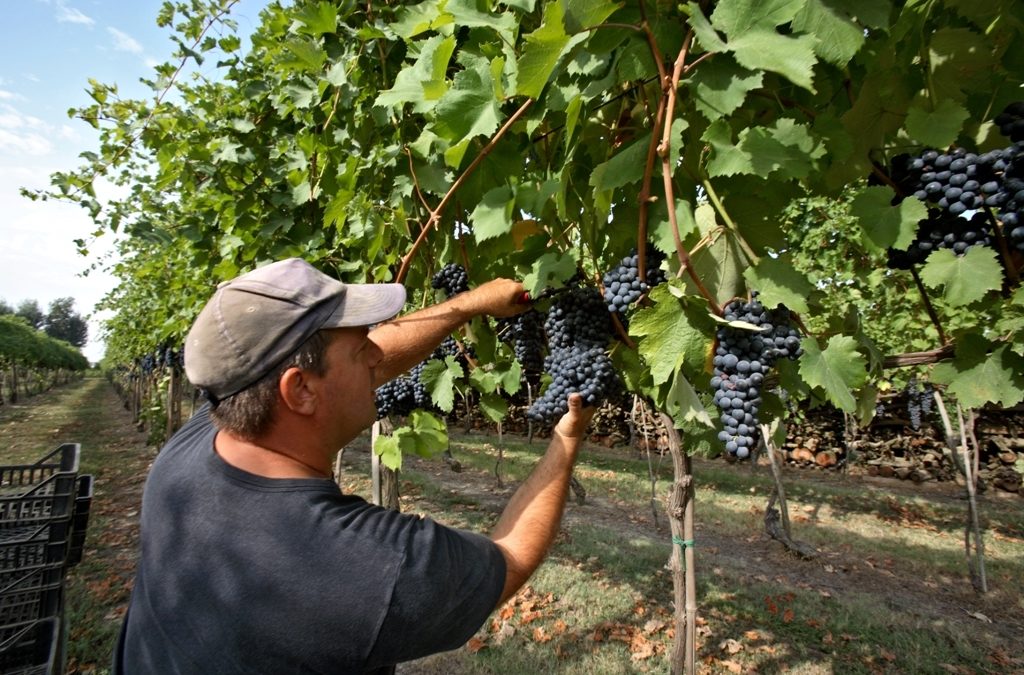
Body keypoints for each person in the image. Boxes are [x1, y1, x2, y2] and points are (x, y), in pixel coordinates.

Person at [113, 257, 594, 674]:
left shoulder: (192, 450)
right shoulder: (367, 565)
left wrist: (464, 306)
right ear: (299, 389)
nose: (376, 352)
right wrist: (567, 439)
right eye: (358, 343)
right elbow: (508, 560)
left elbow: (368, 364)